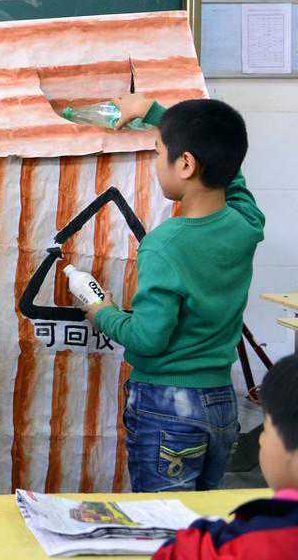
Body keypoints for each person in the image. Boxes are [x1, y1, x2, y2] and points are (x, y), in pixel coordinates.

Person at [69, 94, 264, 493]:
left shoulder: (164, 245)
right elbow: (233, 176)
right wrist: (155, 114)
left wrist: (102, 311)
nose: (157, 163)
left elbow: (148, 338)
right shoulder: (246, 224)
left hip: (167, 405)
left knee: (163, 520)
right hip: (221, 403)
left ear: (186, 164)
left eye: (159, 152)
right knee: (200, 518)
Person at [152, 353, 298, 558]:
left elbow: (172, 554)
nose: (261, 440)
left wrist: (213, 533)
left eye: (265, 429)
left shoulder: (256, 540)